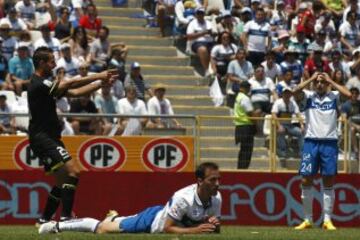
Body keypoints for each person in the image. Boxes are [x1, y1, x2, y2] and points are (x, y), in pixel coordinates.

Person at [28, 47, 117, 225]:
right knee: (74, 172)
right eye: (51, 61)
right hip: (43, 137)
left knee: (63, 181)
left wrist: (101, 85)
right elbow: (69, 85)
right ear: (41, 63)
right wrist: (98, 76)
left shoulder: (44, 84)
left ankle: (44, 219)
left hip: (48, 137)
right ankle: (66, 218)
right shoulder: (39, 83)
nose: (54, 64)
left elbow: (75, 93)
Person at [39, 162, 222, 235]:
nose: (217, 184)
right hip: (152, 222)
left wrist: (215, 225)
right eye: (212, 180)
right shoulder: (184, 198)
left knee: (114, 223)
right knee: (102, 229)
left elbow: (211, 226)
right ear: (199, 181)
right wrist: (196, 230)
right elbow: (167, 229)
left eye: (218, 179)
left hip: (161, 212)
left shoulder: (217, 198)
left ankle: (114, 217)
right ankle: (56, 226)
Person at [293, 72, 351, 230]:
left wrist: (330, 80)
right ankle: (307, 220)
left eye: (322, 82)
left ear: (327, 84)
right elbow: (294, 92)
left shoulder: (334, 96)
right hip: (310, 142)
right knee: (305, 180)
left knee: (328, 180)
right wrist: (312, 78)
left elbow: (349, 94)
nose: (320, 84)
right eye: (317, 82)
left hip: (329, 142)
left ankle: (327, 220)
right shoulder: (308, 96)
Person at [271, 87, 304, 159]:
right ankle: (282, 151)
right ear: (282, 94)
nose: (287, 95)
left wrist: (301, 125)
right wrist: (279, 126)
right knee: (281, 131)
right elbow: (273, 114)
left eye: (288, 93)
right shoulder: (278, 102)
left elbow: (298, 114)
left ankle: (302, 153)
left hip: (289, 125)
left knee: (301, 133)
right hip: (279, 124)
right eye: (285, 93)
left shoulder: (293, 103)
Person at [234, 81, 259, 169]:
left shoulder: (238, 97)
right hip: (246, 127)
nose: (248, 89)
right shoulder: (245, 98)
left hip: (240, 126)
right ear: (242, 88)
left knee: (243, 150)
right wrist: (256, 124)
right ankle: (243, 169)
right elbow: (250, 114)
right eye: (247, 87)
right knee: (247, 151)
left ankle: (240, 168)